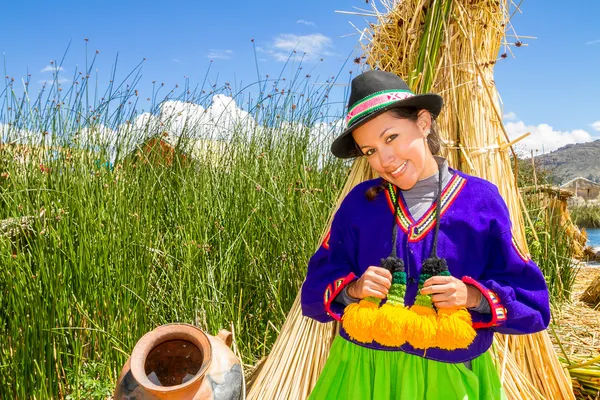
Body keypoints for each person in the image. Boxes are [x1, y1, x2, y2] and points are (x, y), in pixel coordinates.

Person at [300, 70, 550, 399]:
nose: (385, 160)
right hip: (362, 373)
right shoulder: (359, 205)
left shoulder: (481, 202)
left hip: (448, 376)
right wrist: (353, 290)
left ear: (423, 122)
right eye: (370, 151)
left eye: (391, 138)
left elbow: (533, 305)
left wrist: (472, 298)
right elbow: (314, 291)